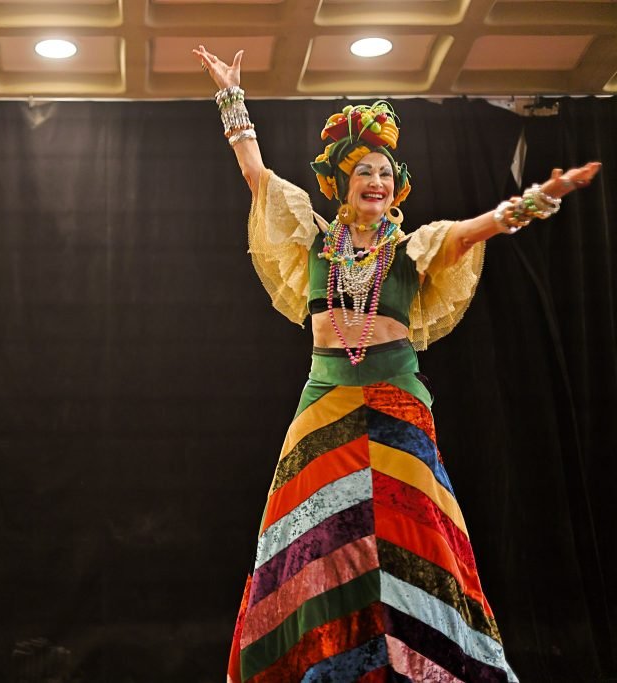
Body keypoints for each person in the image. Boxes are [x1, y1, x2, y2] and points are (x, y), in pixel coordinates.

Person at [192, 45, 601, 683]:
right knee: (311, 539)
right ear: (343, 185)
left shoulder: (415, 248)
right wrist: (232, 98)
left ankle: (431, 666)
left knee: (416, 540)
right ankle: (320, 665)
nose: (377, 182)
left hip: (395, 404)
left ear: (396, 185)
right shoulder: (313, 240)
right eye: (365, 174)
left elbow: (478, 228)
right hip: (324, 401)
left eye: (385, 173)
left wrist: (534, 201)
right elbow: (256, 174)